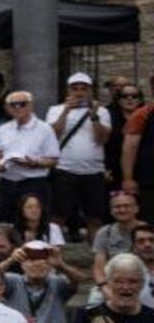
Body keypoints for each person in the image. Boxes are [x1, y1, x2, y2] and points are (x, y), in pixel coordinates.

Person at [50, 72, 113, 240]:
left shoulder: (102, 111)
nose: (79, 92)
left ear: (90, 90)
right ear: (68, 90)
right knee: (58, 215)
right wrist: (65, 111)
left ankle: (96, 254)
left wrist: (94, 115)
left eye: (83, 89)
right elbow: (52, 136)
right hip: (65, 169)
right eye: (75, 88)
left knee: (94, 216)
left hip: (93, 171)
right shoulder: (55, 110)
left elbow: (103, 139)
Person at [0, 88, 61, 221]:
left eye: (22, 104)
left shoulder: (44, 129)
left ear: (30, 105)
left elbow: (53, 160)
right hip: (8, 182)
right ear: (7, 108)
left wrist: (34, 163)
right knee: (6, 222)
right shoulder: (3, 129)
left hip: (33, 182)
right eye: (13, 105)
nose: (18, 108)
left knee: (33, 222)